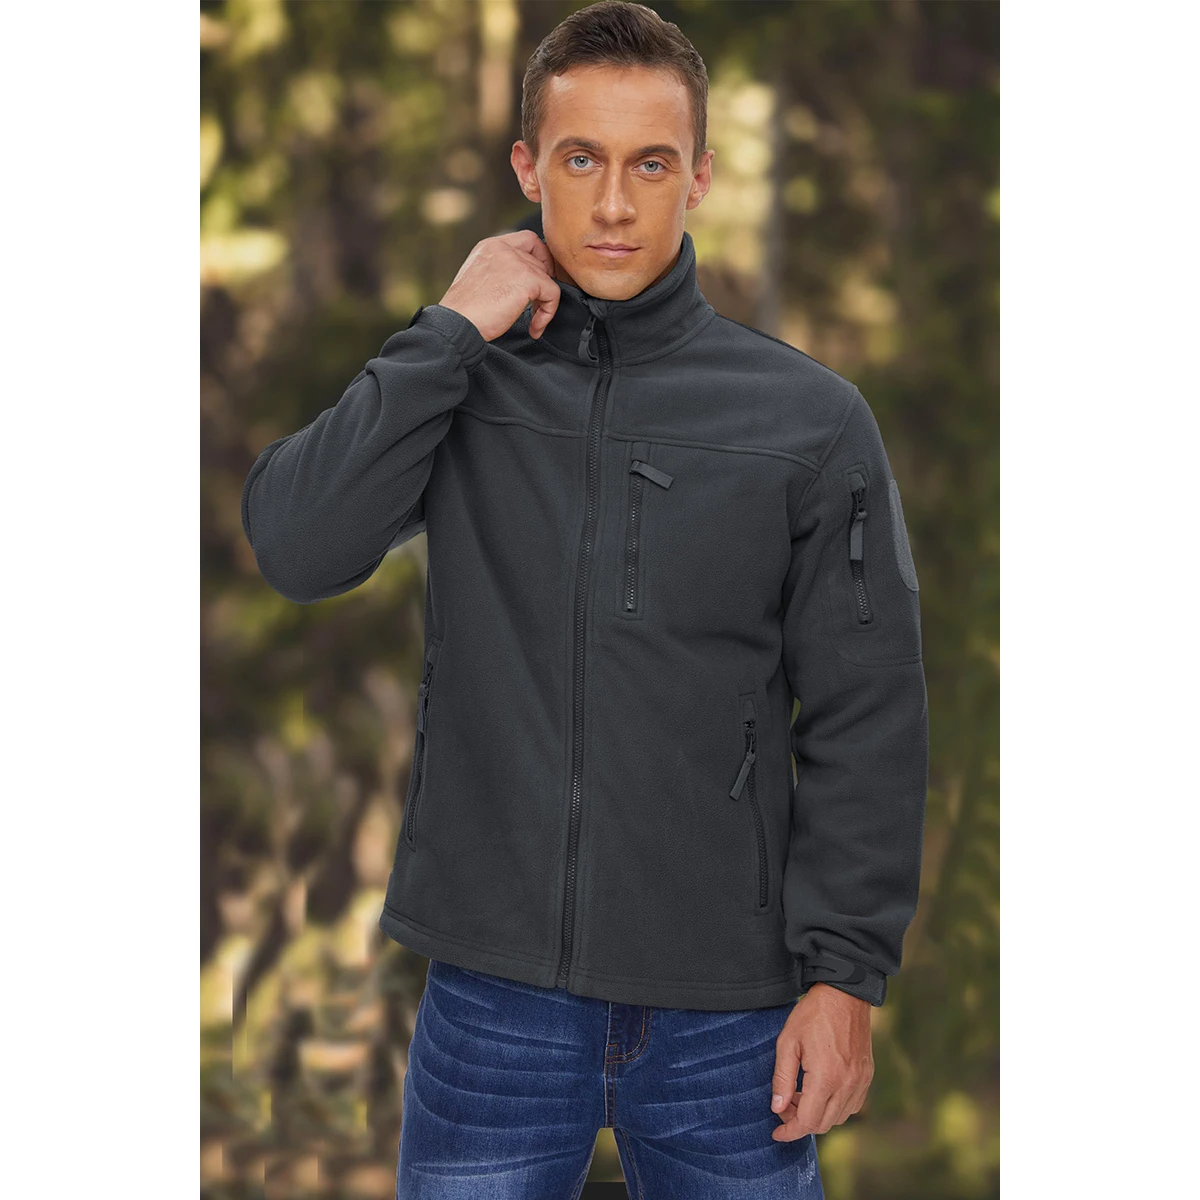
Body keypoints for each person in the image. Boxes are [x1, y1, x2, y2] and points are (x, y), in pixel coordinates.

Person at [240, 3, 928, 1196]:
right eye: (581, 160)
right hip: (492, 999)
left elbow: (868, 712)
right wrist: (448, 331)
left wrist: (846, 976)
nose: (614, 204)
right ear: (528, 169)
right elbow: (298, 545)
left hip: (731, 1015)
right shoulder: (462, 379)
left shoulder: (808, 422)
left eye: (650, 164)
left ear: (698, 177)